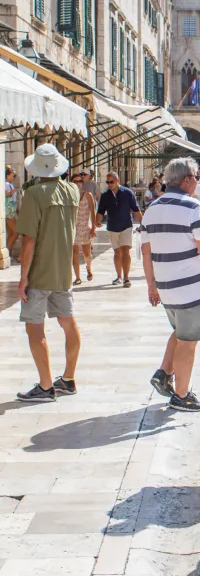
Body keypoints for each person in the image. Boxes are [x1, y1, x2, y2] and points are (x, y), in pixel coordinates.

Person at [141, 158, 200, 412]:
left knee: (180, 332)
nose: (198, 182)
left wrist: (152, 284)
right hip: (192, 288)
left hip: (167, 287)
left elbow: (146, 251)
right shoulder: (193, 207)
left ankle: (164, 373)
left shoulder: (152, 208)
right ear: (186, 180)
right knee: (188, 341)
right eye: (196, 177)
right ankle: (182, 394)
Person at [15, 144, 81, 402]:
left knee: (35, 329)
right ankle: (69, 378)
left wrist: (23, 277)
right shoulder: (72, 190)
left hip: (40, 272)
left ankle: (45, 386)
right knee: (68, 322)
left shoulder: (35, 194)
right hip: (63, 270)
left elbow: (29, 240)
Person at [96, 172, 142, 287]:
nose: (109, 184)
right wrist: (97, 222)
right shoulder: (105, 195)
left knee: (126, 251)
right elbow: (101, 210)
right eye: (107, 182)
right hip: (112, 227)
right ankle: (119, 277)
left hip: (126, 225)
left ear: (117, 181)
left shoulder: (127, 193)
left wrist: (143, 223)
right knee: (117, 252)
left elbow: (136, 209)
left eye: (111, 182)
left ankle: (126, 278)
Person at [71, 172, 96, 284]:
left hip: (85, 226)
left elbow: (93, 211)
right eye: (75, 181)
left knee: (87, 253)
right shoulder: (69, 196)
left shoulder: (88, 195)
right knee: (74, 253)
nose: (77, 183)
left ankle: (89, 268)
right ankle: (77, 277)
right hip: (73, 227)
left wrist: (93, 228)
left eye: (79, 181)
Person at [5, 165, 18, 261]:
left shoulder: (9, 184)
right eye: (13, 175)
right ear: (8, 175)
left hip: (11, 210)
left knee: (11, 233)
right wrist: (10, 193)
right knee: (15, 232)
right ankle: (7, 253)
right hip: (8, 211)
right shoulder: (5, 184)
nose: (14, 177)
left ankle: (9, 254)